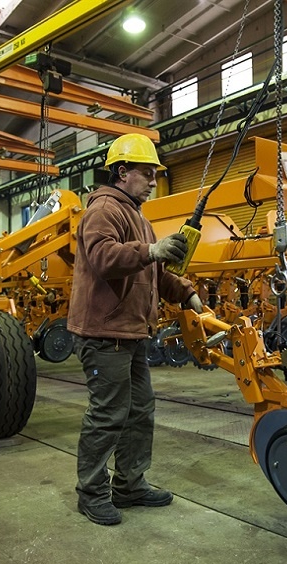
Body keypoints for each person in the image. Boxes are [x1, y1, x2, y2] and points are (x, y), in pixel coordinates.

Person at [67, 133, 203, 526]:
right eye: (147, 173)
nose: (154, 181)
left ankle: (129, 484)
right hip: (103, 333)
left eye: (155, 174)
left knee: (139, 410)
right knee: (108, 414)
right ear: (122, 172)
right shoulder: (104, 209)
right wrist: (150, 251)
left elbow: (156, 270)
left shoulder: (140, 218)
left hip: (132, 332)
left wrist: (186, 293)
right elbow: (103, 257)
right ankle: (91, 493)